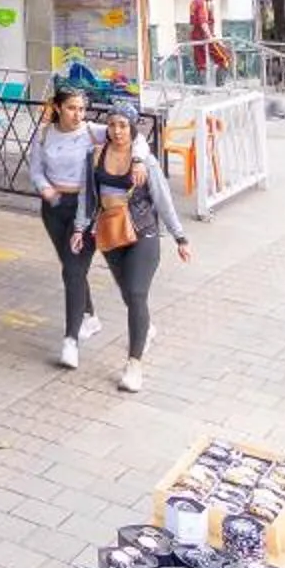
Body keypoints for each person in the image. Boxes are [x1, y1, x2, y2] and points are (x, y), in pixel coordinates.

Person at [73, 102, 191, 393]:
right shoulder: (96, 155)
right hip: (111, 233)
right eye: (112, 125)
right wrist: (80, 228)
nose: (117, 131)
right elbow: (88, 196)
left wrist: (180, 237)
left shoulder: (145, 161)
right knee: (128, 294)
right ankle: (146, 327)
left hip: (143, 233)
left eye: (123, 125)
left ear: (132, 127)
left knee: (137, 294)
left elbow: (163, 200)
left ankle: (134, 366)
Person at [29, 85, 104, 369]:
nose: (78, 114)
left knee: (72, 270)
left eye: (82, 109)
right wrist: (46, 190)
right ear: (58, 107)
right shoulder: (45, 133)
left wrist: (138, 160)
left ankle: (70, 341)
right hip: (54, 209)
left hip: (84, 210)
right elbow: (35, 169)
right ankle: (90, 317)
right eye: (72, 108)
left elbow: (132, 137)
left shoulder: (90, 131)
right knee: (72, 266)